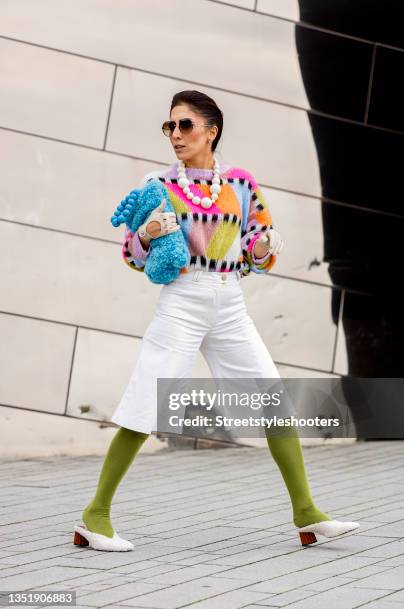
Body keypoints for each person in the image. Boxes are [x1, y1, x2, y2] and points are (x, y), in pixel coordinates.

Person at [73, 90, 359, 552]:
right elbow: (131, 255)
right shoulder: (158, 186)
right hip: (182, 302)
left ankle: (306, 512)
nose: (175, 135)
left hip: (230, 305)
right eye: (170, 127)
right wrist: (146, 233)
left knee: (272, 399)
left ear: (212, 130)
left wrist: (264, 248)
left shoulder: (242, 185)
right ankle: (95, 516)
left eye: (185, 125)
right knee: (145, 402)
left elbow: (255, 251)